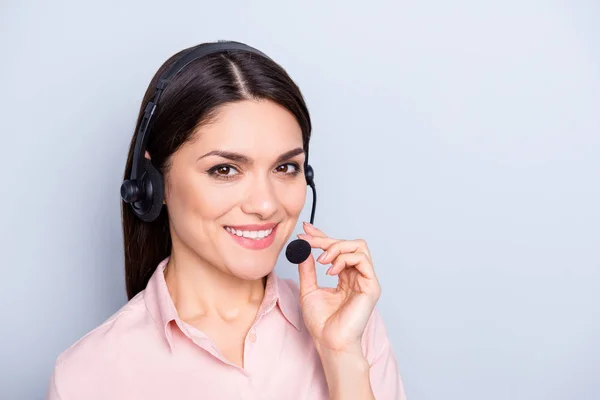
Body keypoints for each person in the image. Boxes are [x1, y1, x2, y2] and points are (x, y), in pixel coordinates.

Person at [46, 40, 407, 400]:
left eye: (285, 167)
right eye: (225, 169)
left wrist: (342, 357)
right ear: (153, 185)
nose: (266, 205)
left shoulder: (352, 328)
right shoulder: (87, 374)